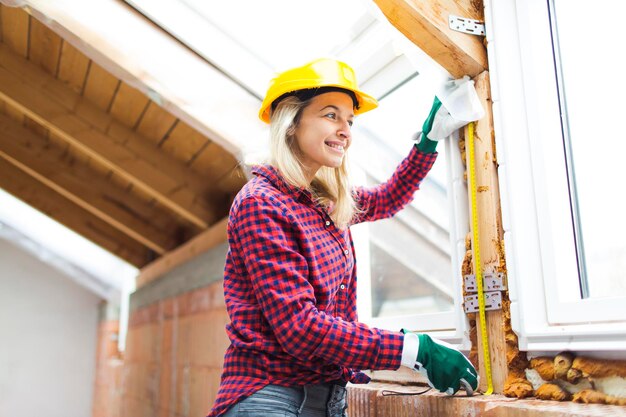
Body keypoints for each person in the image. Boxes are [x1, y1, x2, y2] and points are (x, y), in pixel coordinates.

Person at [208, 58, 478, 417]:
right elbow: (300, 327)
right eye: (331, 115)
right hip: (269, 398)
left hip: (327, 399)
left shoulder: (324, 202)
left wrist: (426, 143)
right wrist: (413, 350)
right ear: (292, 121)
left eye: (349, 120)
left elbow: (388, 198)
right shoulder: (261, 203)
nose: (346, 130)